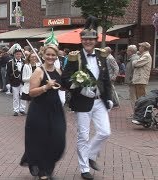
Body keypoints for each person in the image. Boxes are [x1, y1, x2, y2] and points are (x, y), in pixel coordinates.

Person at [61, 16, 113, 180]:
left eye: (91, 39)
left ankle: (90, 154)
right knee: (83, 136)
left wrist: (109, 98)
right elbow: (65, 80)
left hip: (100, 101)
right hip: (82, 102)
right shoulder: (74, 57)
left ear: (96, 41)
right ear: (81, 40)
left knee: (105, 132)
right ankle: (84, 168)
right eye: (85, 39)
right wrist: (78, 87)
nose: (88, 42)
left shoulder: (101, 56)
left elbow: (106, 80)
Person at [21, 45, 66, 180]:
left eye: (53, 55)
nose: (50, 57)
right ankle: (43, 171)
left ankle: (46, 166)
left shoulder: (58, 70)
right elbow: (31, 93)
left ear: (56, 56)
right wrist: (45, 87)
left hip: (55, 109)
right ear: (43, 55)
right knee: (41, 140)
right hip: (39, 110)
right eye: (48, 55)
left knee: (58, 139)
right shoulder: (39, 72)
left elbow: (63, 86)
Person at [131, 42, 152, 125]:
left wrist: (135, 60)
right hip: (139, 80)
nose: (139, 48)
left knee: (142, 99)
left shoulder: (146, 56)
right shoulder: (143, 55)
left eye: (140, 46)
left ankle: (142, 117)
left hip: (141, 80)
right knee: (140, 99)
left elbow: (136, 64)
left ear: (144, 48)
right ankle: (140, 116)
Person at [7, 44, 26, 116]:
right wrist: (8, 83)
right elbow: (8, 73)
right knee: (15, 97)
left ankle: (22, 109)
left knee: (23, 96)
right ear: (14, 55)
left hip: (23, 82)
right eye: (17, 54)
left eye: (20, 54)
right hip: (14, 81)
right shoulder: (10, 62)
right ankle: (16, 110)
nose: (18, 56)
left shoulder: (24, 62)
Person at [125, 45, 139, 118]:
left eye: (127, 50)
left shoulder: (134, 58)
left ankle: (135, 114)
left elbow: (135, 70)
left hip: (133, 82)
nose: (126, 52)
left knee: (133, 98)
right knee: (133, 98)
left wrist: (131, 79)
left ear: (130, 51)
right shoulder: (133, 58)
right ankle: (135, 113)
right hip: (132, 81)